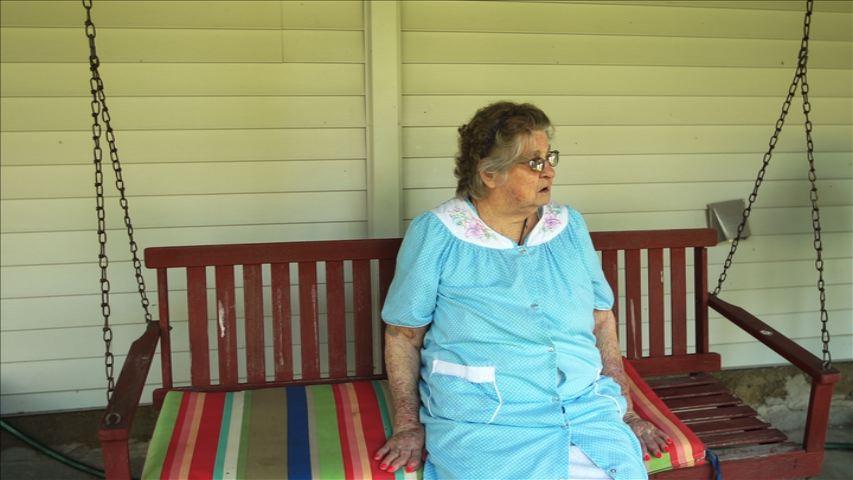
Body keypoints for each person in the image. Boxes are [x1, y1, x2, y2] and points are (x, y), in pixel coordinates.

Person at [375, 102, 669, 479]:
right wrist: (408, 425)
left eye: (550, 157)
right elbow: (403, 334)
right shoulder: (438, 233)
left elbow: (601, 317)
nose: (549, 170)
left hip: (581, 412)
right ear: (489, 175)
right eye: (533, 162)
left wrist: (626, 411)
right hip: (487, 420)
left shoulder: (568, 226)